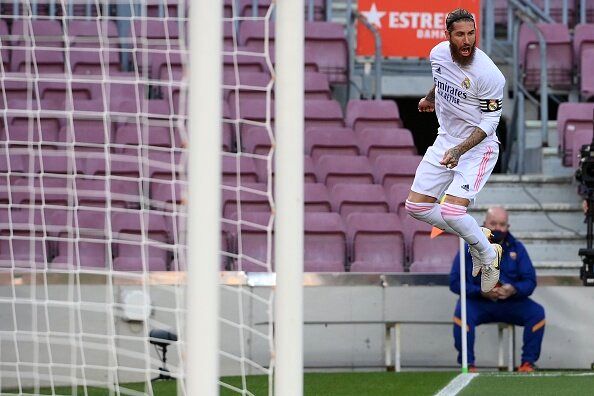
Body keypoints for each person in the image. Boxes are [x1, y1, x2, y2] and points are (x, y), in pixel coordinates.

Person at [405, 8, 505, 292]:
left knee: (451, 212)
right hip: (446, 140)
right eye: (460, 34)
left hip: (478, 147)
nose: (466, 41)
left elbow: (490, 122)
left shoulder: (489, 75)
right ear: (447, 35)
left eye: (471, 34)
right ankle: (479, 237)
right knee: (416, 207)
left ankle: (487, 254)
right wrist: (429, 98)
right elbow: (441, 79)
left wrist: (460, 150)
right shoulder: (437, 53)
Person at [450, 206, 546, 373]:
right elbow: (455, 282)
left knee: (537, 313)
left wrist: (513, 289)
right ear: (485, 223)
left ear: (508, 226)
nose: (497, 228)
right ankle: (468, 364)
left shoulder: (517, 248)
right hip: (479, 302)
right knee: (461, 314)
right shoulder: (468, 246)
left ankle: (527, 364)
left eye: (502, 224)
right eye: (493, 223)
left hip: (510, 303)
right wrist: (480, 291)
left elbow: (530, 281)